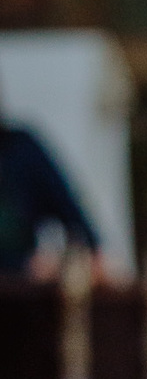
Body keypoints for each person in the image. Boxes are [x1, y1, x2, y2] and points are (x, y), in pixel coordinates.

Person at [0, 110, 101, 276]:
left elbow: (68, 207)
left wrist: (93, 249)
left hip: (25, 286)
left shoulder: (21, 148)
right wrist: (22, 264)